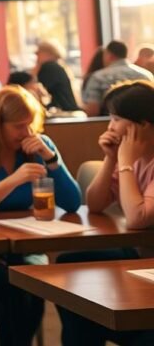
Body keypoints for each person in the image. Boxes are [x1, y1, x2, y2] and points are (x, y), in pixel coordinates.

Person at [0, 86, 81, 346]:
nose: (27, 133)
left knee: (32, 292)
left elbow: (73, 202)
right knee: (6, 290)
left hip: (25, 245)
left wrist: (51, 159)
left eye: (31, 125)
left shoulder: (39, 146)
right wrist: (13, 180)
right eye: (19, 126)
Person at [56, 80, 154, 346]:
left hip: (148, 261)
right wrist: (111, 158)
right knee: (70, 265)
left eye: (116, 119)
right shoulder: (131, 156)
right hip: (140, 255)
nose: (110, 127)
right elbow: (95, 203)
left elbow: (138, 218)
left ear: (142, 125)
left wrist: (123, 162)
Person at [82, 41, 153, 116]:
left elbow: (93, 110)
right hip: (143, 124)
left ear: (109, 55)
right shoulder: (146, 75)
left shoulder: (98, 77)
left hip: (106, 124)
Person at [33, 40, 81, 112]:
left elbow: (42, 91)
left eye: (38, 52)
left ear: (48, 53)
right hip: (69, 111)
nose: (36, 55)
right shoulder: (59, 66)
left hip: (61, 113)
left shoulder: (49, 67)